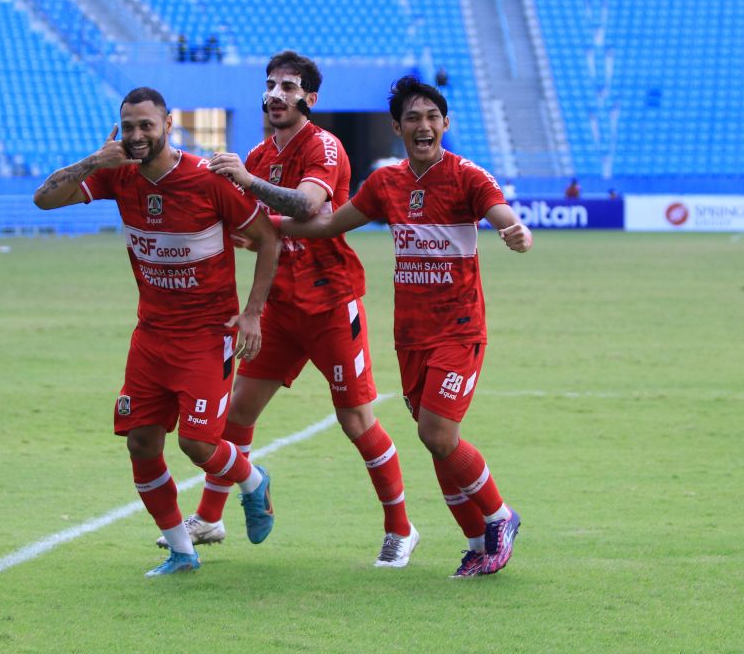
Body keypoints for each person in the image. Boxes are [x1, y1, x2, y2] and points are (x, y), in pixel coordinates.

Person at [280, 75, 532, 577]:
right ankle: (478, 543)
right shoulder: (387, 183)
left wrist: (512, 227)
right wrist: (267, 226)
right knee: (432, 437)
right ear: (397, 128)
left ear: (445, 124)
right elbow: (331, 223)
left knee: (439, 433)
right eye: (413, 118)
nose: (424, 126)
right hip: (410, 335)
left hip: (459, 329)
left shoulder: (466, 176)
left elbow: (496, 208)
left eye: (432, 117)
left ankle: (501, 517)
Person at [33, 87, 282, 577]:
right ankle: (182, 553)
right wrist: (93, 161)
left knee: (198, 444)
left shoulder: (207, 181)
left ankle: (254, 481)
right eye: (128, 127)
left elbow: (268, 239)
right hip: (151, 336)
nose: (137, 135)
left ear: (168, 124)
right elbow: (44, 200)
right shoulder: (118, 173)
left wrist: (253, 312)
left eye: (146, 125)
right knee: (141, 444)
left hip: (208, 335)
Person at [194, 50, 420, 567]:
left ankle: (401, 528)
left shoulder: (325, 146)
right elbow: (249, 228)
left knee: (356, 420)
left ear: (310, 99)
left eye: (289, 86)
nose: (276, 94)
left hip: (330, 301)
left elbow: (308, 205)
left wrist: (247, 186)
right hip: (279, 306)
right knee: (237, 413)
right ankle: (210, 518)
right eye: (270, 84)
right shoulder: (255, 154)